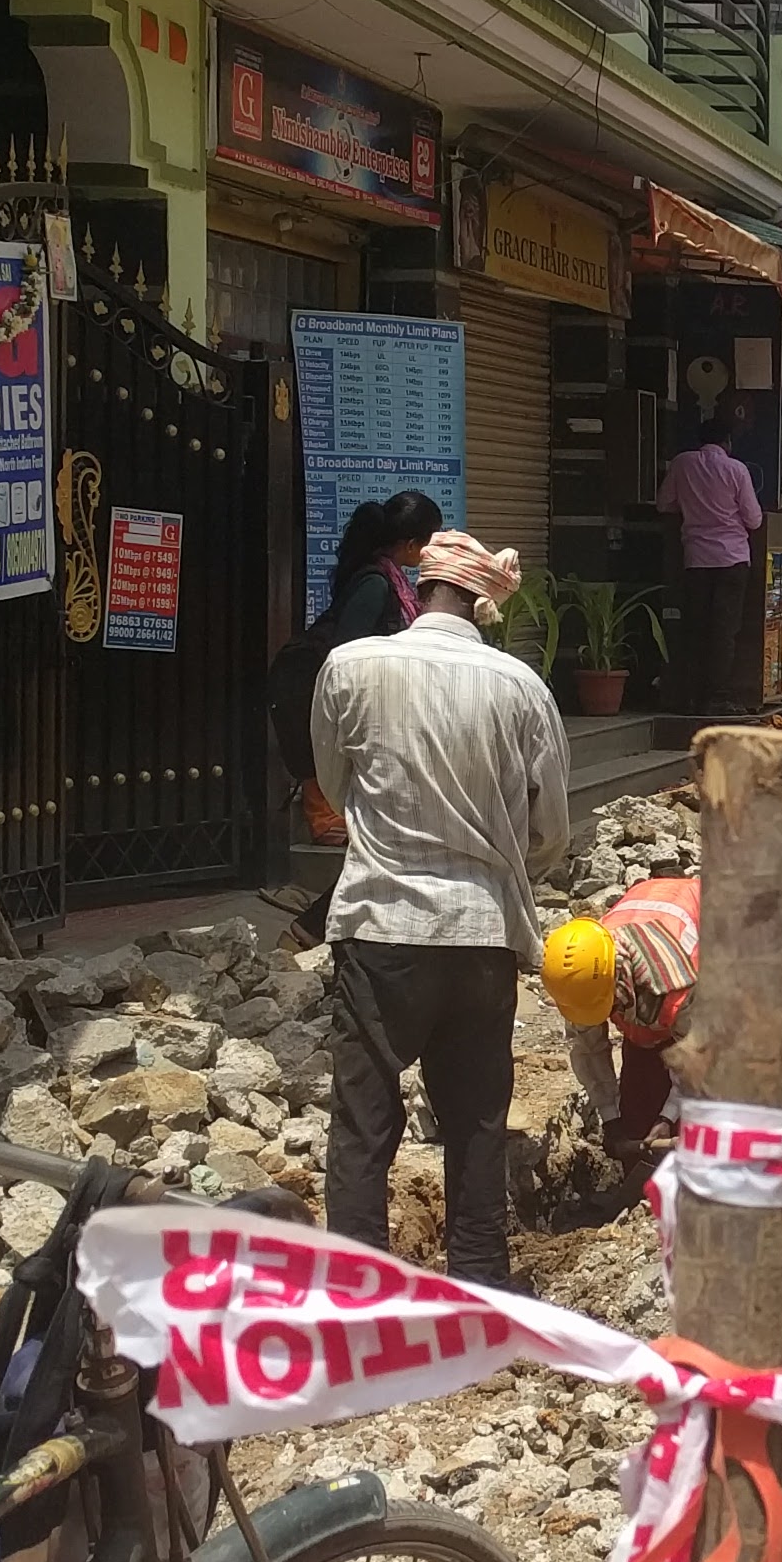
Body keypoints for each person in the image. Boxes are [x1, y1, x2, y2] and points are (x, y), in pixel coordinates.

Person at [309, 531, 569, 1285]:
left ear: (420, 590)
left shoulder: (351, 667)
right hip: (483, 933)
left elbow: (334, 778)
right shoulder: (520, 687)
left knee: (362, 1126)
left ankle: (357, 1298)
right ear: (485, 604)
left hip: (379, 926)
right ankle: (480, 1290)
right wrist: (502, 862)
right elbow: (549, 829)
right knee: (477, 1124)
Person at [269, 490, 439, 833]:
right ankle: (328, 823)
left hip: (338, 683)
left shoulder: (386, 576)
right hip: (317, 682)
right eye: (429, 542)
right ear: (409, 545)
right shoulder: (376, 584)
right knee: (326, 757)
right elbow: (347, 650)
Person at [538, 875, 699, 1163]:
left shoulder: (680, 981)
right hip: (650, 914)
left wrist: (669, 1116)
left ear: (621, 983)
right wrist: (611, 1120)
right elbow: (588, 1048)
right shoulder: (585, 970)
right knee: (638, 1112)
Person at [655, 396, 766, 714]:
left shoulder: (681, 464)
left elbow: (664, 503)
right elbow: (754, 519)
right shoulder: (736, 470)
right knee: (725, 629)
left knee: (697, 626)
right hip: (732, 560)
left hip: (696, 559)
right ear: (727, 442)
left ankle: (692, 694)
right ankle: (719, 695)